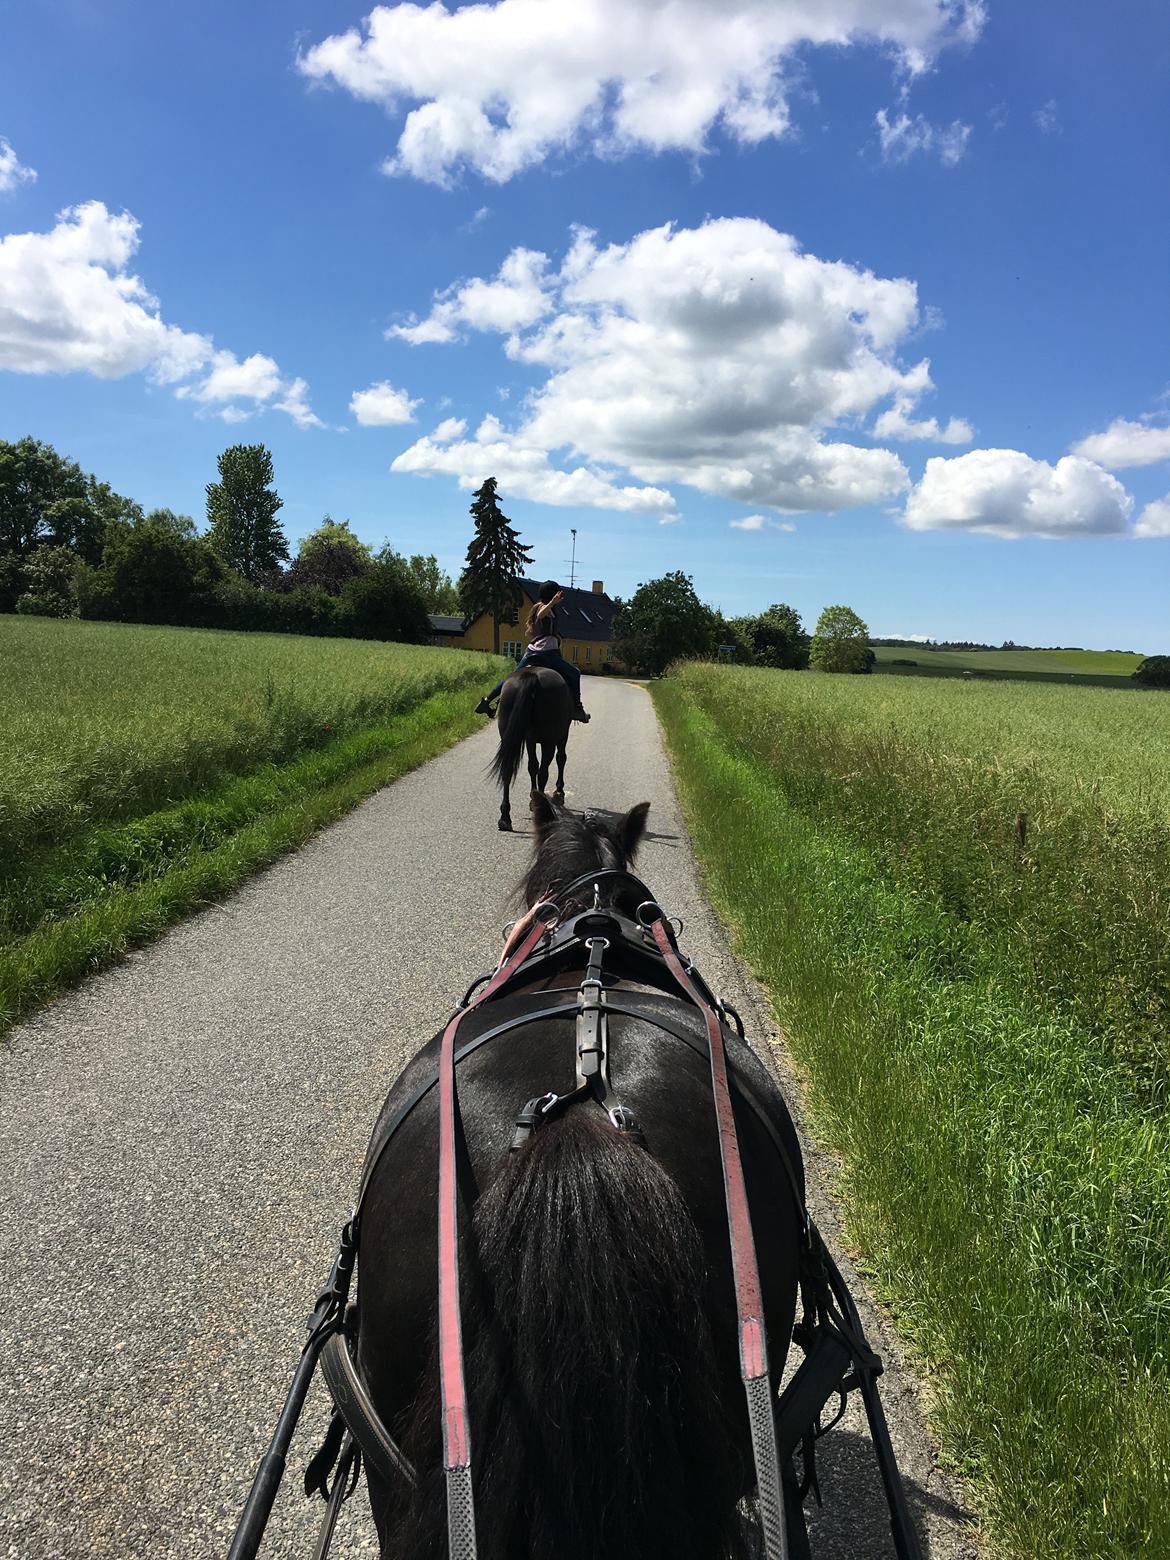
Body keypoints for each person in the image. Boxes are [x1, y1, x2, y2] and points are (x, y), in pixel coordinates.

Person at [476, 581, 591, 722]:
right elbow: (542, 614)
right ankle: (577, 708)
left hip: (531, 652)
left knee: (510, 677)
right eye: (558, 594)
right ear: (552, 595)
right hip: (548, 653)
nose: (560, 596)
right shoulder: (545, 607)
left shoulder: (536, 606)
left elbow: (530, 633)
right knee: (574, 673)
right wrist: (553, 603)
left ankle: (487, 701)